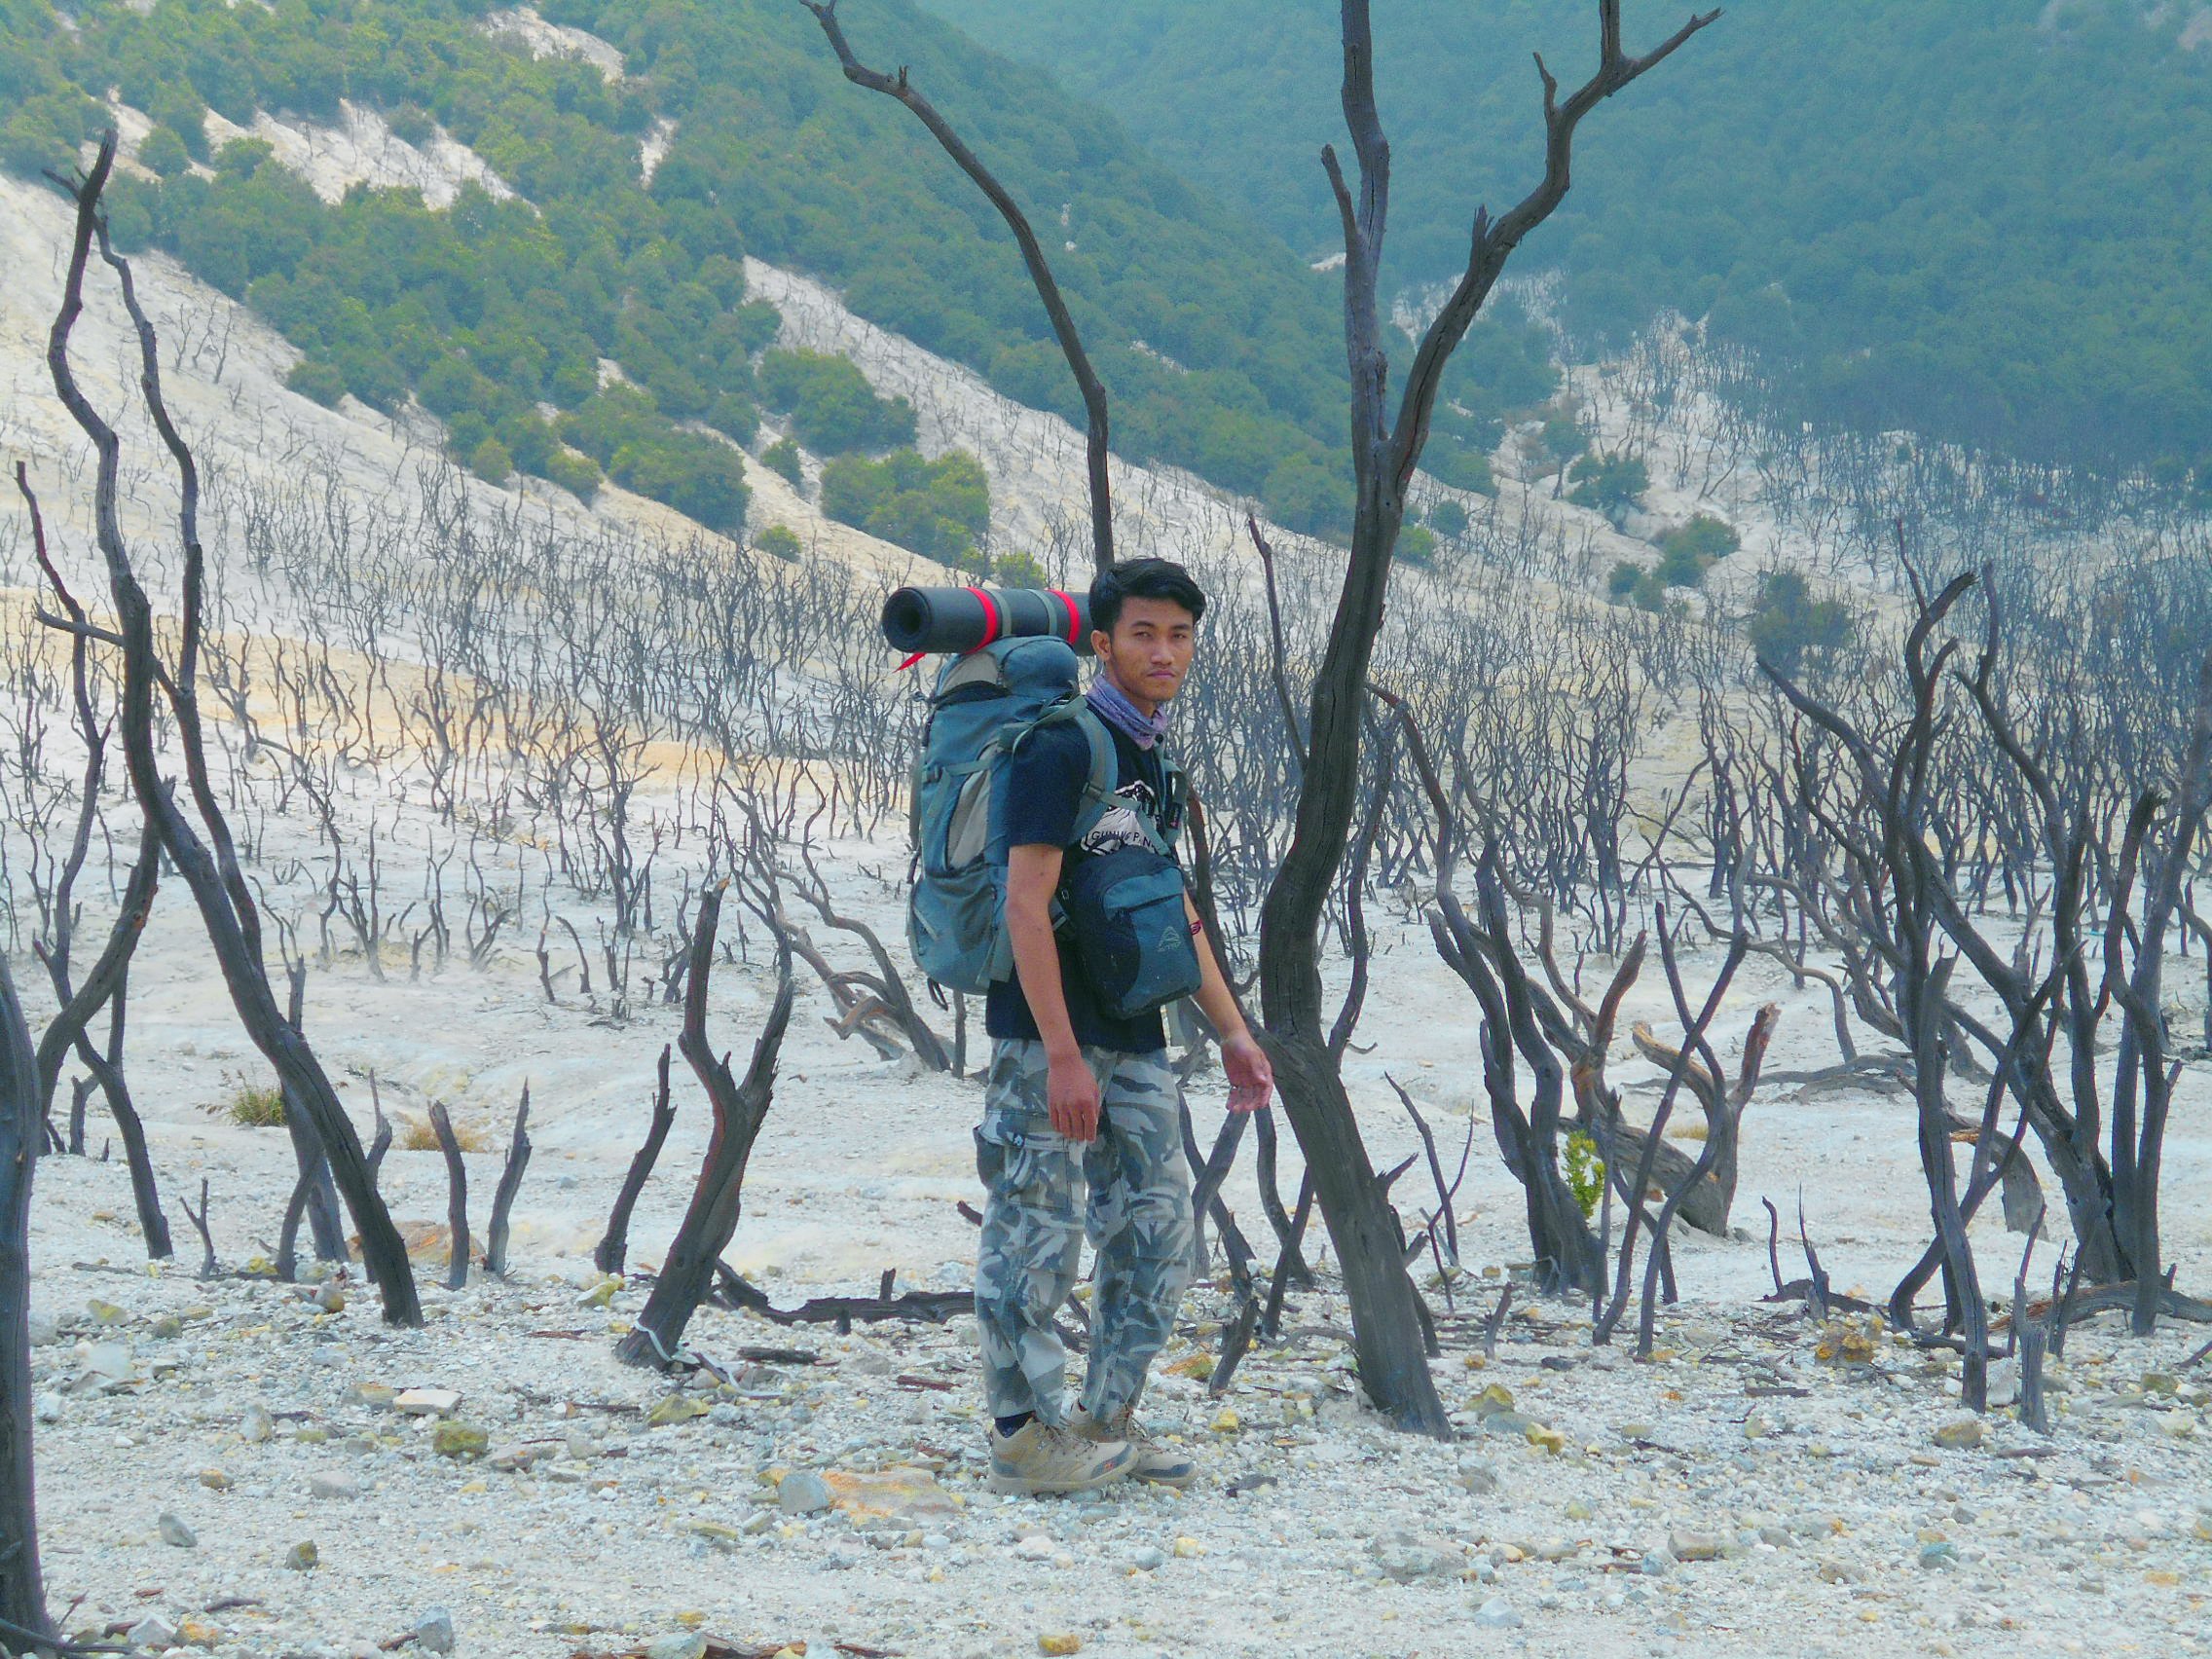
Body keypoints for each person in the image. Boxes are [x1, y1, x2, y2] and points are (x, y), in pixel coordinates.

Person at [973, 557, 1274, 1495]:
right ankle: (1024, 1438)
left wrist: (1231, 1030)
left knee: (1154, 1229)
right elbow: (1026, 906)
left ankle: (1105, 1423)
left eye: (1180, 635)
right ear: (1101, 644)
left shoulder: (1154, 755)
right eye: (1144, 633)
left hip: (1137, 1029)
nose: (1165, 652)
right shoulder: (1059, 747)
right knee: (1037, 1229)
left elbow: (1172, 905)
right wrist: (1062, 1056)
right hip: (1046, 1036)